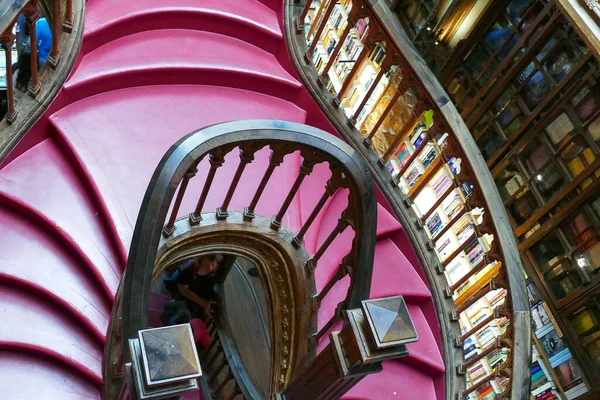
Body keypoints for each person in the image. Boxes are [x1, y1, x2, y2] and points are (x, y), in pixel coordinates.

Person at [164, 254, 220, 320]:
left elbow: (208, 286)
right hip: (182, 291)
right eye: (206, 265)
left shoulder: (213, 272)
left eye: (213, 265)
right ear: (200, 262)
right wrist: (204, 303)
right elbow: (183, 290)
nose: (210, 268)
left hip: (196, 290)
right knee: (179, 311)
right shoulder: (188, 269)